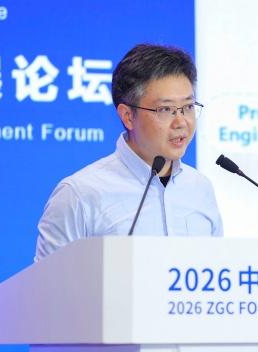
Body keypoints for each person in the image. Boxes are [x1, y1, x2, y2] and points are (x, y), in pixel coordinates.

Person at [34, 44, 223, 261]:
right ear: (128, 116)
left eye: (188, 107)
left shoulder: (200, 189)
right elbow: (47, 281)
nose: (181, 122)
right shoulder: (80, 195)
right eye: (165, 109)